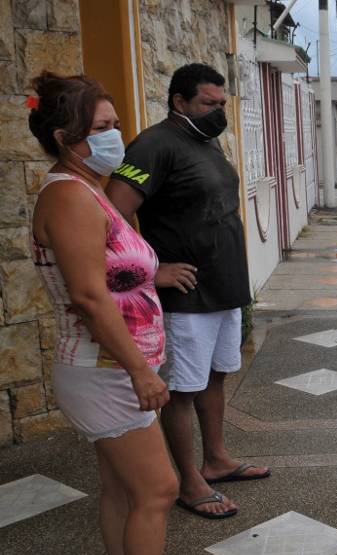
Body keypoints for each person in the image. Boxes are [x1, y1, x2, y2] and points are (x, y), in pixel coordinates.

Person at [27, 72, 196, 555]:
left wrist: (154, 273)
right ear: (63, 136)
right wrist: (141, 370)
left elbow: (112, 272)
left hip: (112, 368)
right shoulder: (68, 197)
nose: (115, 136)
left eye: (116, 124)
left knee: (123, 492)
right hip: (107, 370)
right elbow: (90, 297)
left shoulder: (86, 190)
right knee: (159, 489)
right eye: (102, 127)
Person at [106, 63, 269, 520]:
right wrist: (151, 271)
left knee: (214, 377)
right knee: (181, 388)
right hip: (187, 296)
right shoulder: (153, 146)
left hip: (222, 288)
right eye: (208, 104)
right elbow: (112, 218)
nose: (219, 112)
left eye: (222, 104)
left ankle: (215, 459)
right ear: (179, 102)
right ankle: (188, 481)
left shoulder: (204, 139)